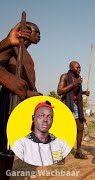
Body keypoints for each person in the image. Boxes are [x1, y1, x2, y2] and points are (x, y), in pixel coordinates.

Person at [0, 22, 42, 180]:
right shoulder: (13, 48)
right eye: (36, 32)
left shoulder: (26, 54)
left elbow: (28, 82)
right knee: (5, 147)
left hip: (23, 102)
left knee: (13, 148)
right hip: (10, 100)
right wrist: (8, 41)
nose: (39, 35)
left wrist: (34, 94)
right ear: (25, 32)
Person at [12, 101, 70, 166]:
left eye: (49, 117)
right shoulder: (21, 144)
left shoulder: (59, 143)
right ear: (33, 118)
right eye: (41, 115)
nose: (45, 120)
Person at [57, 61, 90, 159]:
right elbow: (59, 91)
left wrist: (84, 92)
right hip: (67, 104)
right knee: (63, 130)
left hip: (76, 105)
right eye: (77, 68)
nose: (79, 69)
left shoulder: (78, 78)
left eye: (80, 68)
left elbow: (76, 92)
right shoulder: (65, 77)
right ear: (71, 68)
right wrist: (75, 83)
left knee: (80, 127)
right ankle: (59, 155)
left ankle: (78, 152)